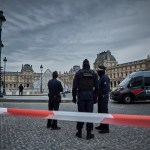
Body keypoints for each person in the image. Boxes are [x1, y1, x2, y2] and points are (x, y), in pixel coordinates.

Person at [72, 59, 98, 140]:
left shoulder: (78, 73)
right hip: (90, 95)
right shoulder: (93, 73)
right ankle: (89, 133)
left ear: (83, 65)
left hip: (81, 95)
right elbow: (97, 88)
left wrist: (74, 98)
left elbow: (74, 88)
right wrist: (95, 98)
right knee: (89, 114)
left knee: (81, 114)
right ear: (89, 65)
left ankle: (79, 132)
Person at [95, 65, 110, 133]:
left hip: (103, 96)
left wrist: (98, 93)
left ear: (102, 71)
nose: (97, 72)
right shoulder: (101, 77)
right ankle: (102, 125)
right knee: (100, 111)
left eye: (98, 71)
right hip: (101, 97)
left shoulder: (105, 78)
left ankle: (106, 128)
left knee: (104, 112)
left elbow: (105, 89)